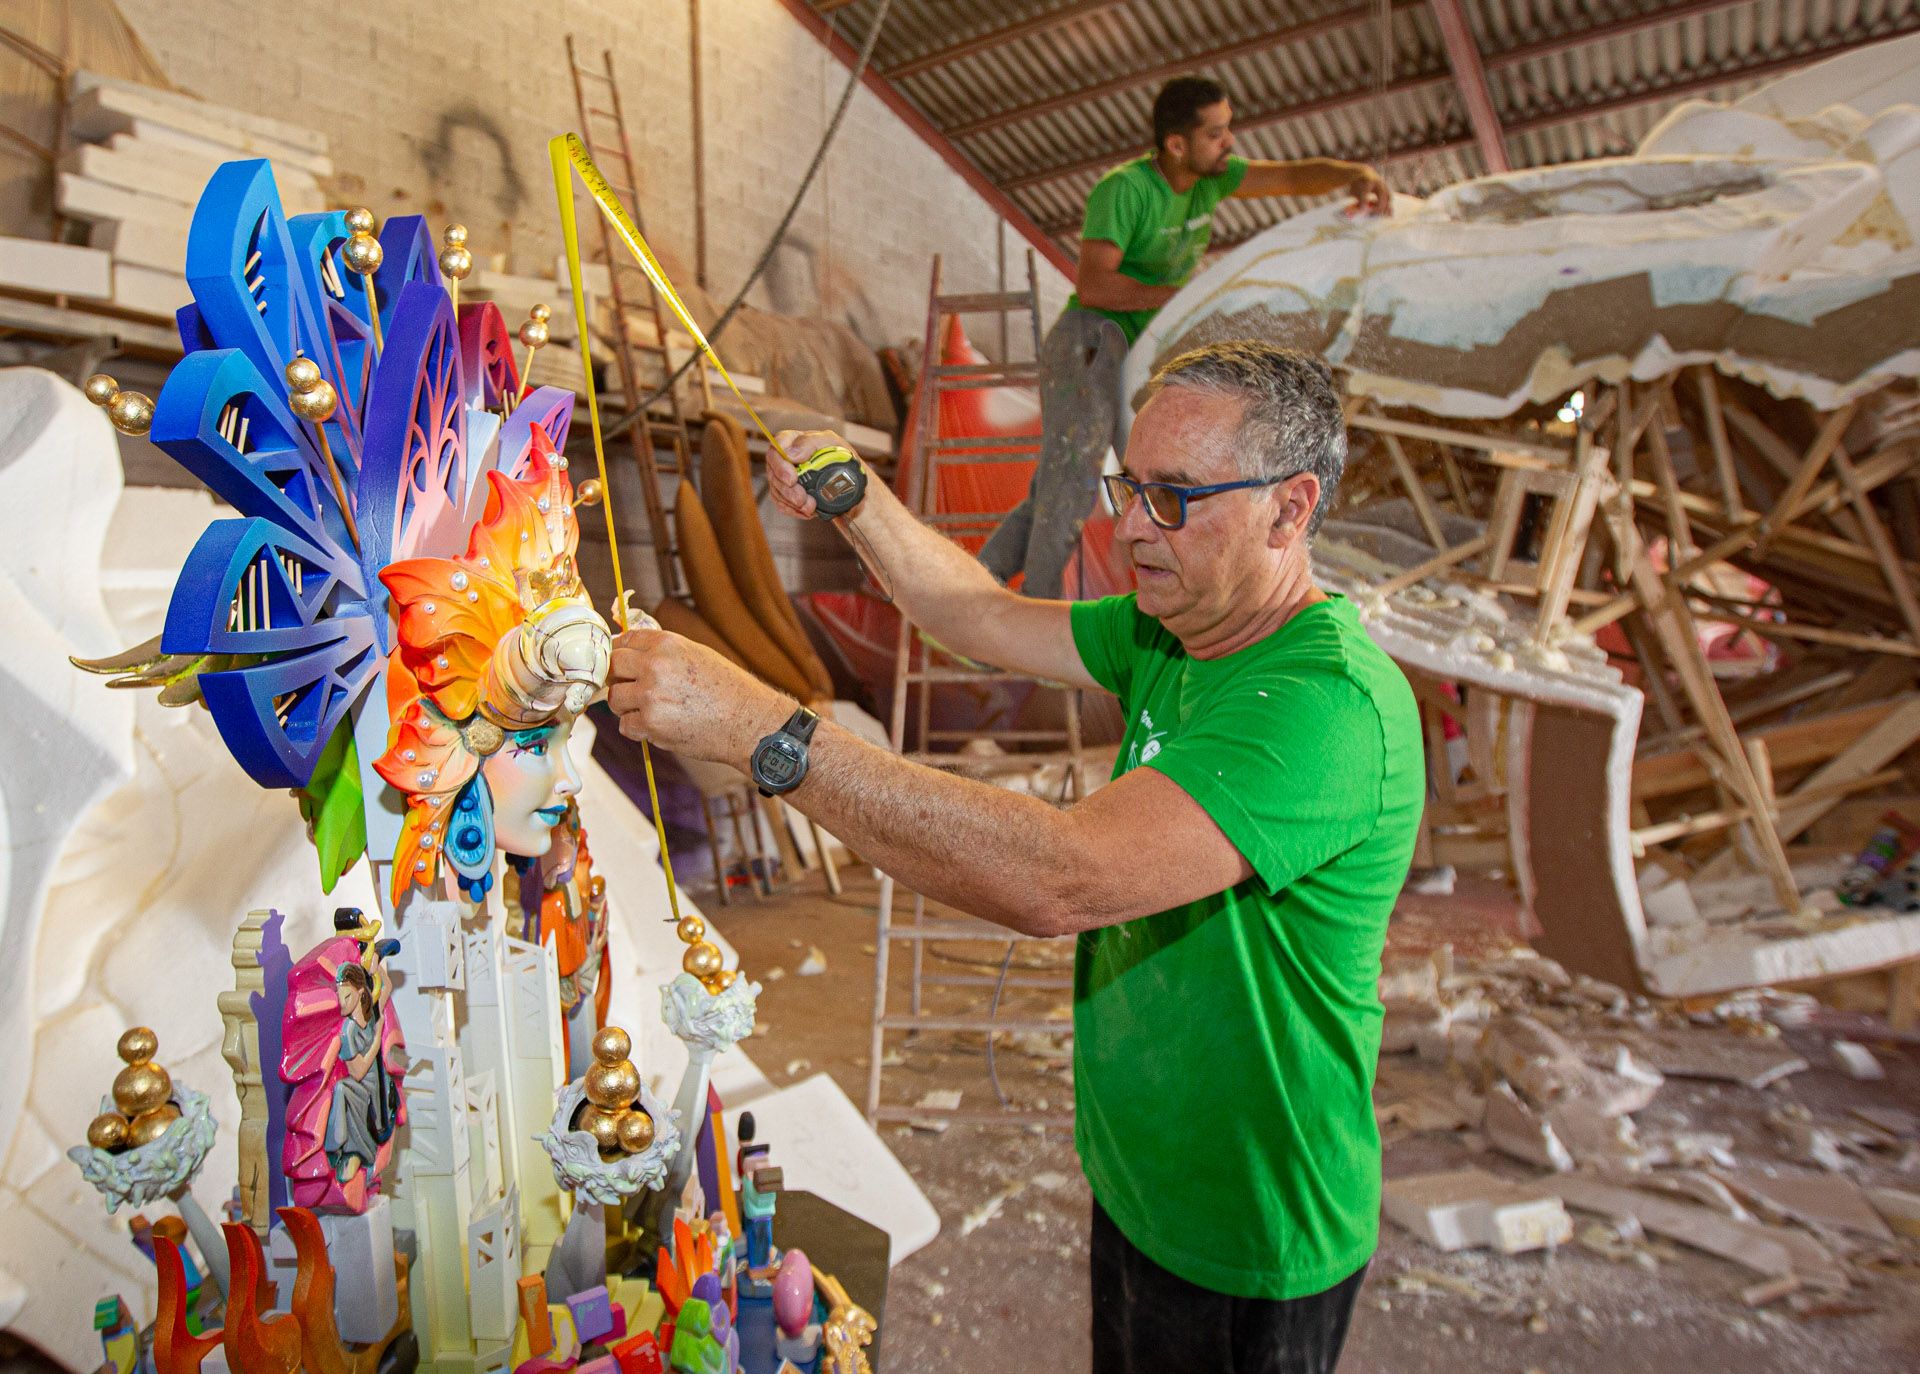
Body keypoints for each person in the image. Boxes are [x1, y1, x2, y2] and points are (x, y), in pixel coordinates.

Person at [607, 341, 1423, 1373]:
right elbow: (976, 615)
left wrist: (771, 735)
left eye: (1174, 498)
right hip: (1142, 1170)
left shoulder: (1323, 706)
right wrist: (861, 502)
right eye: (1130, 486)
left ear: (1289, 509)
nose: (1130, 527)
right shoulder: (1180, 628)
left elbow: (1059, 876)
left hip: (1249, 1222)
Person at [979, 74, 1391, 600]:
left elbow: (1289, 174)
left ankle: (983, 580)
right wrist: (1186, 296)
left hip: (1136, 352)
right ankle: (1036, 614)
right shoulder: (1124, 190)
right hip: (1088, 342)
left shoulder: (1210, 180)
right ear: (1176, 144)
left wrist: (1349, 174)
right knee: (1071, 484)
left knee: (1072, 482)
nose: (1230, 142)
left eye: (1228, 129)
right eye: (1216, 133)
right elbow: (1095, 283)